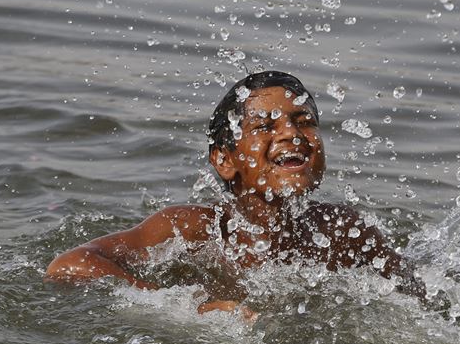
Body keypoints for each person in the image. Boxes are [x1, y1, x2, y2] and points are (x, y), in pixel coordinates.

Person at [46, 71, 425, 316]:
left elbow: (423, 300)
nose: (292, 135)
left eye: (305, 122)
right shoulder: (192, 230)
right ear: (225, 160)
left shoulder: (342, 233)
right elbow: (70, 264)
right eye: (264, 126)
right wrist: (183, 307)